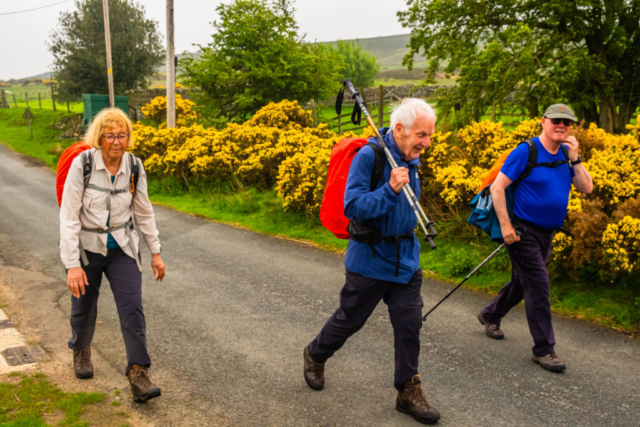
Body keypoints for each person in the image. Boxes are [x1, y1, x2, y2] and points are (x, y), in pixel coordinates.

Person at [304, 99, 441, 424]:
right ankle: (315, 354)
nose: (427, 142)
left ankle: (408, 392)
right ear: (399, 130)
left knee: (409, 325)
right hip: (369, 260)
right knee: (349, 320)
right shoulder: (370, 156)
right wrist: (390, 190)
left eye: (430, 136)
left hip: (405, 259)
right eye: (422, 135)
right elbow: (353, 206)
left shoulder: (410, 156)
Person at [60, 108, 166, 402]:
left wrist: (155, 252)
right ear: (99, 138)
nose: (116, 141)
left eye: (121, 135)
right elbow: (68, 217)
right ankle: (80, 350)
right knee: (83, 308)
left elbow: (143, 211)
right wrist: (72, 265)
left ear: (128, 138)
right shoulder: (82, 164)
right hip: (87, 249)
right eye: (110, 135)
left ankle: (138, 373)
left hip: (123, 247)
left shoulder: (134, 166)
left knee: (132, 308)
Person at [477, 104, 593, 372]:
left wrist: (575, 157)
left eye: (567, 122)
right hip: (522, 232)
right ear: (543, 122)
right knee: (539, 285)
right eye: (556, 121)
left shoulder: (566, 154)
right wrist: (506, 227)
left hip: (548, 233)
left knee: (523, 282)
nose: (562, 126)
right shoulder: (526, 151)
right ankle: (544, 350)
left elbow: (586, 187)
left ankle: (490, 314)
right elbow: (497, 188)